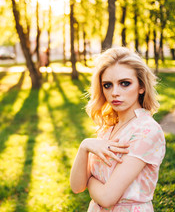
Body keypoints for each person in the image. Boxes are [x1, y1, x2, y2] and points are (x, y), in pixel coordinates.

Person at [70, 47, 166, 211]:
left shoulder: (148, 131)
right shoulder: (108, 128)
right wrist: (84, 146)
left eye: (125, 83)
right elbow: (77, 187)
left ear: (141, 86)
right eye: (107, 85)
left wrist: (90, 180)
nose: (115, 92)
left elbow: (107, 198)